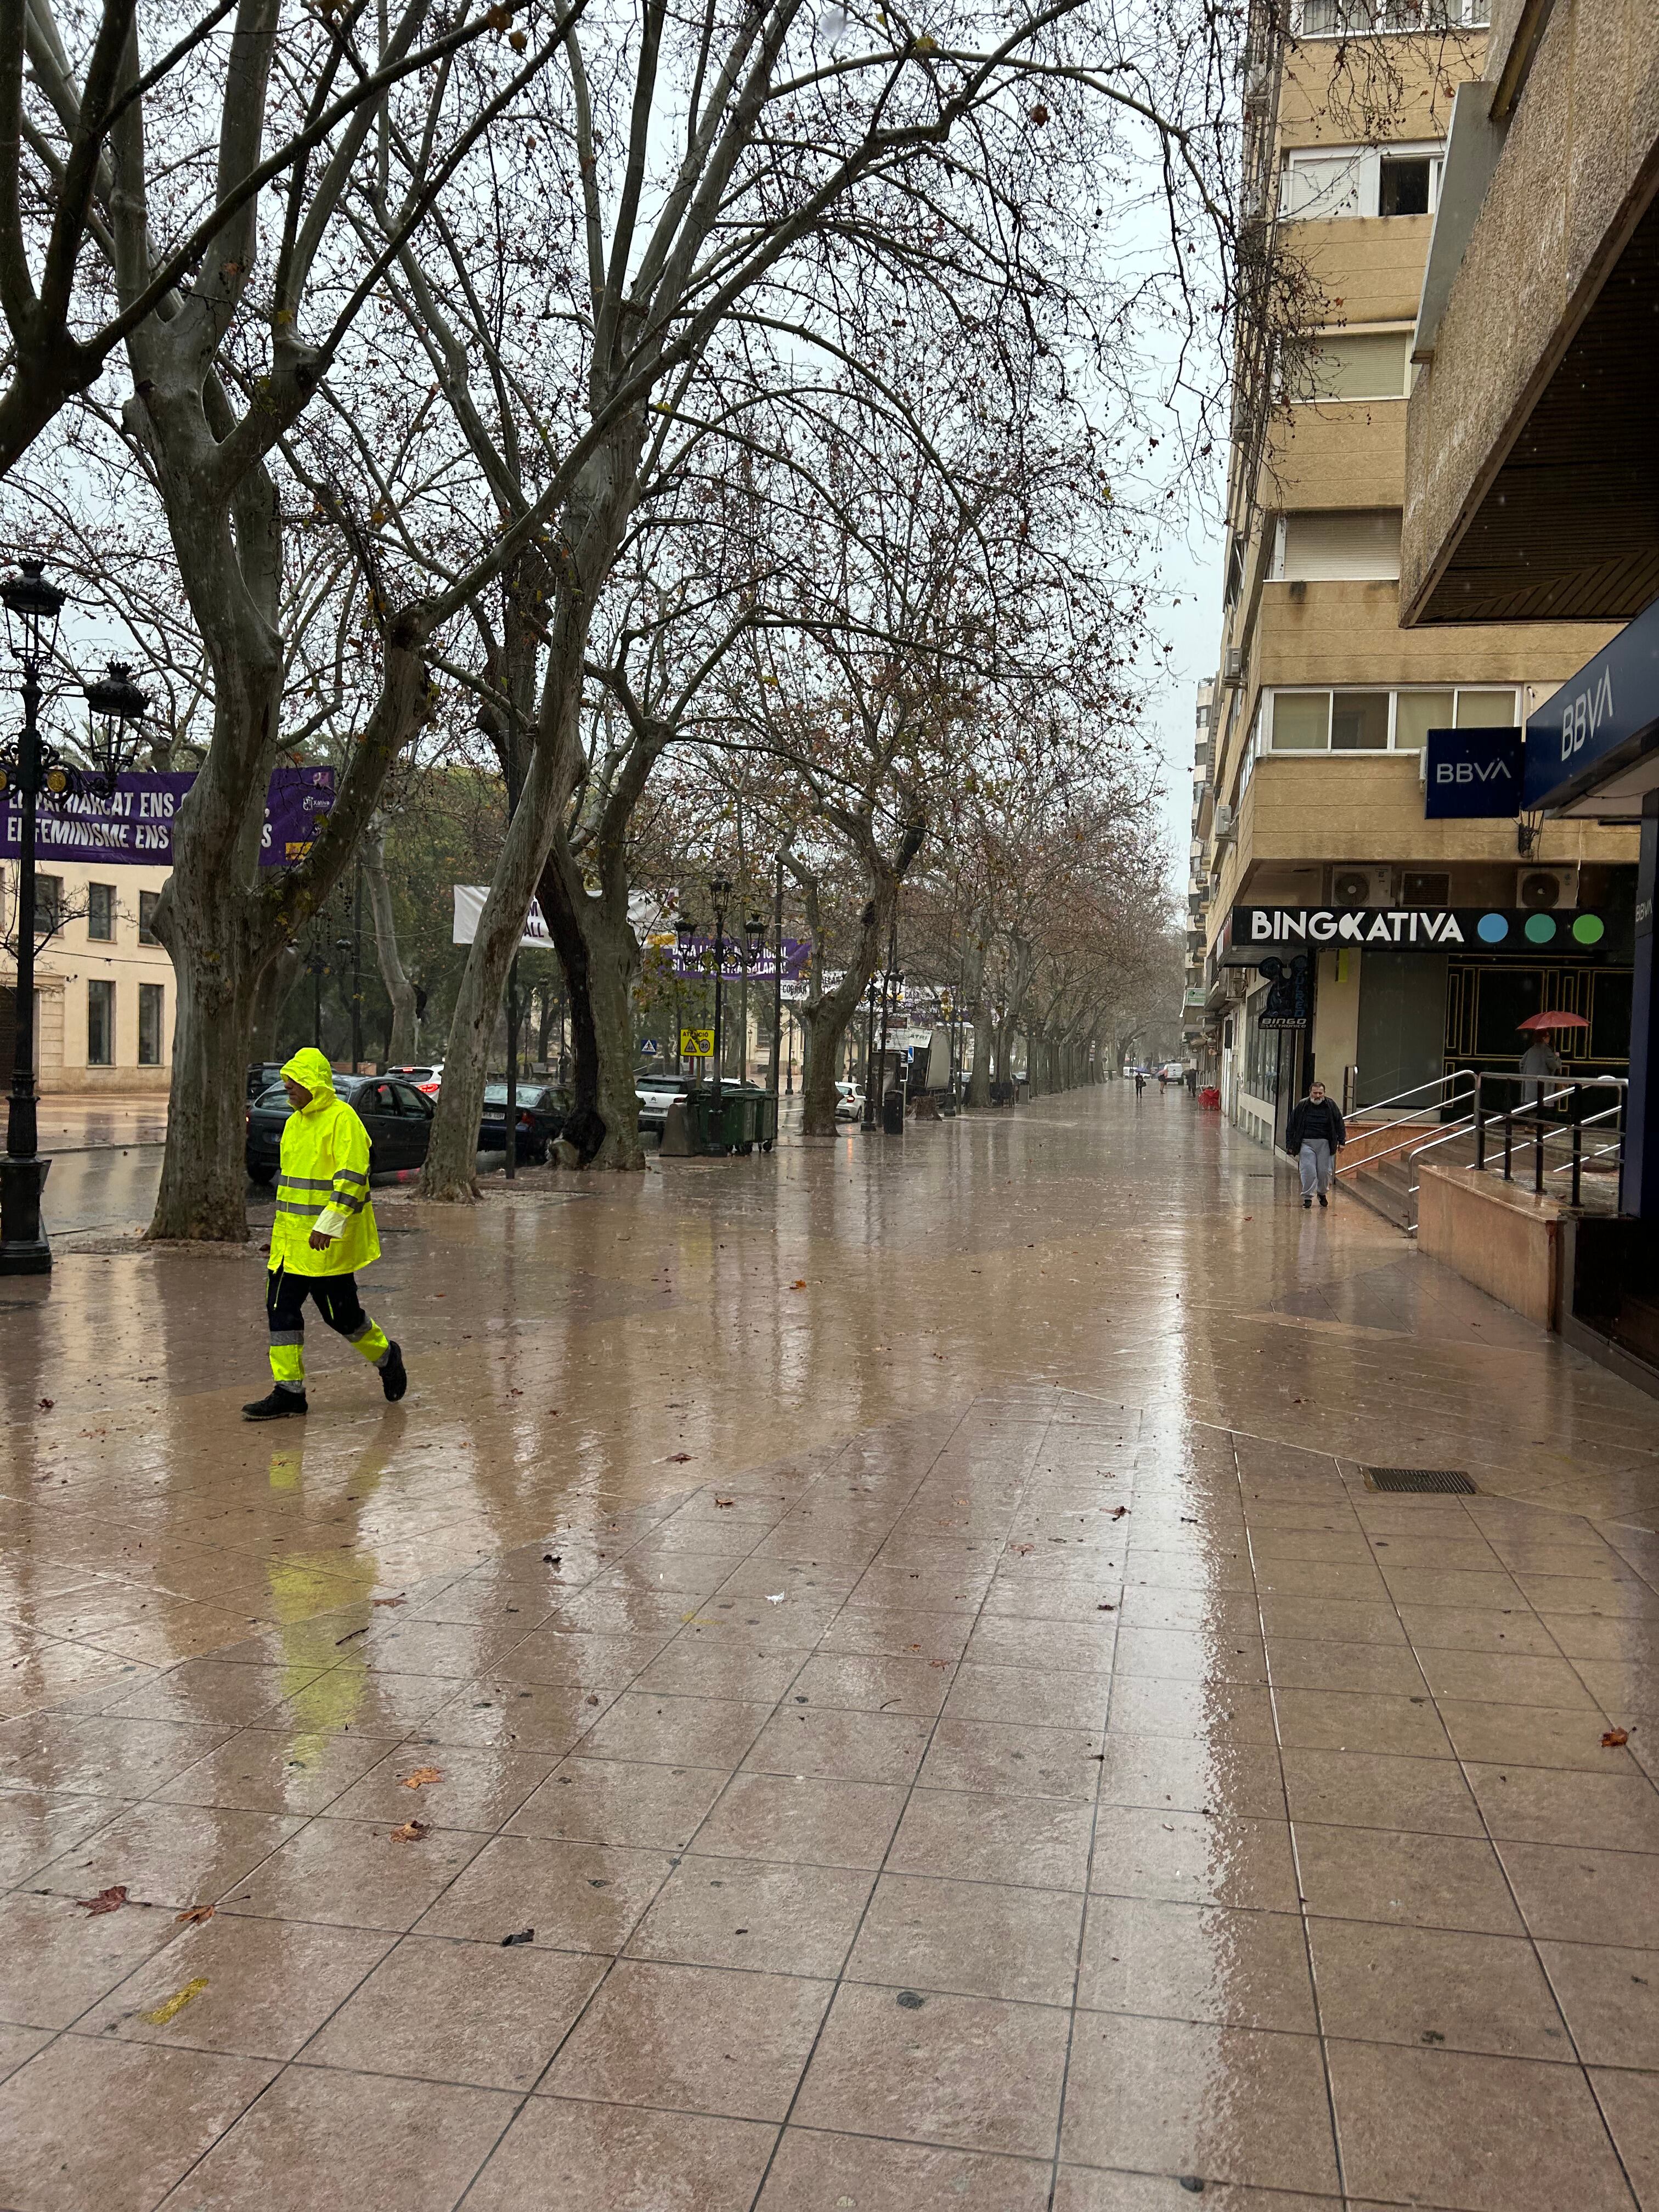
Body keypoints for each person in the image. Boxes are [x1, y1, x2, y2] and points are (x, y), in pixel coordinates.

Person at [242, 1046, 408, 1420]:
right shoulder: (294, 1124)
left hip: (326, 1244)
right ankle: (289, 1392)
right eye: (286, 1085)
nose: (288, 1092)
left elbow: (352, 1178)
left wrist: (328, 1225)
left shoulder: (343, 1119)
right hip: (290, 1246)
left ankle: (387, 1357)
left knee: (342, 1317)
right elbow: (290, 1191)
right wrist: (280, 1236)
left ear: (313, 1084)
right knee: (280, 1312)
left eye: (293, 1085)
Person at [1285, 1077, 1345, 1209]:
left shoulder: (1331, 1106)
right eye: (1315, 1093)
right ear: (1310, 1093)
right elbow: (1292, 1125)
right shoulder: (1302, 1106)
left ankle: (1322, 1193)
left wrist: (1342, 1141)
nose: (1318, 1096)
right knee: (1308, 1171)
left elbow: (1339, 1123)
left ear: (1324, 1093)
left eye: (1320, 1093)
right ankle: (1307, 1197)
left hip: (1325, 1144)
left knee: (1324, 1172)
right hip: (1306, 1143)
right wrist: (1290, 1145)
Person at [1519, 1031, 1561, 1114]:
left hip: (1530, 1084)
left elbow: (1521, 1064)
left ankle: (1531, 1125)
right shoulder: (1547, 1051)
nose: (1550, 1038)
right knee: (1543, 1103)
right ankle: (1542, 1125)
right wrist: (1557, 1057)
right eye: (1548, 1036)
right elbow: (1554, 1065)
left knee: (1532, 1105)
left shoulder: (1531, 1050)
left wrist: (1526, 1076)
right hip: (1543, 1084)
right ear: (1544, 1038)